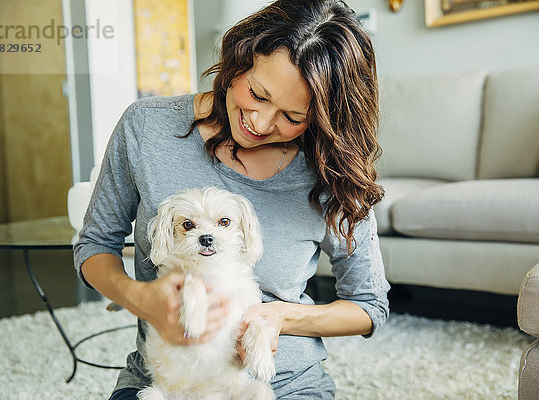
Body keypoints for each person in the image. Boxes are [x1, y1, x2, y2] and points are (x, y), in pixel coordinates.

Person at [73, 0, 390, 398]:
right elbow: (93, 246)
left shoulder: (332, 170)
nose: (259, 123)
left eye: (292, 117)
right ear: (239, 58)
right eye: (257, 94)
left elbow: (369, 306)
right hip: (167, 384)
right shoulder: (146, 127)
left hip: (284, 385)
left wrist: (277, 317)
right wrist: (142, 298)